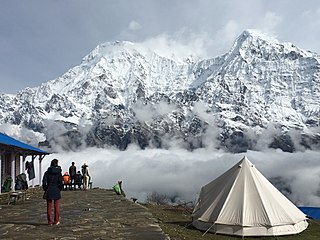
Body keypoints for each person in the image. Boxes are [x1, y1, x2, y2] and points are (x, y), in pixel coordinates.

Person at [42, 159, 63, 226]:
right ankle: (56, 221)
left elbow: (44, 182)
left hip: (49, 189)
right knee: (56, 207)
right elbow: (61, 182)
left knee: (49, 207)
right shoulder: (59, 172)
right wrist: (59, 189)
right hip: (56, 189)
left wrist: (45, 189)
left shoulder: (47, 172)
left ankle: (49, 221)